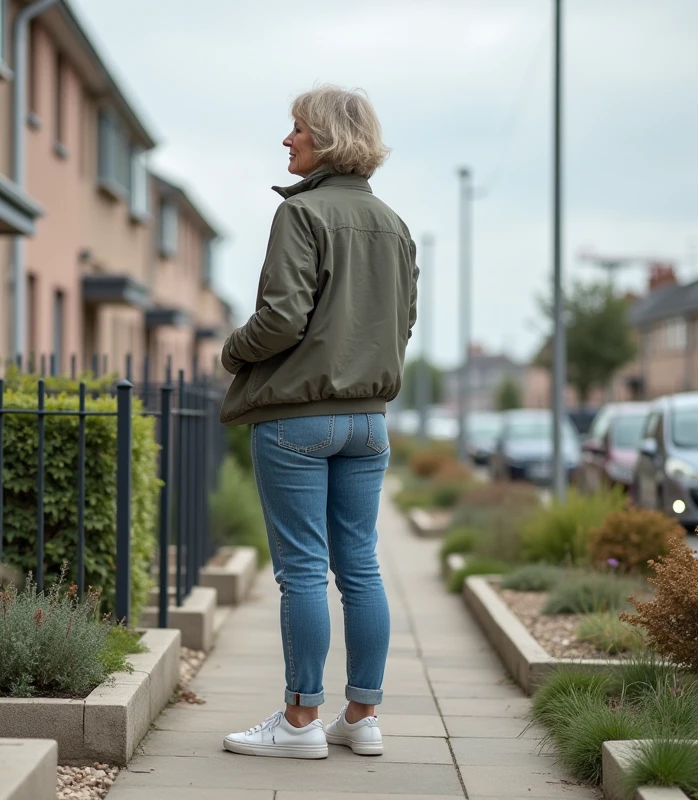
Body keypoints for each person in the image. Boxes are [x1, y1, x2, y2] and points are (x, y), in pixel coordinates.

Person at [217, 84, 419, 760]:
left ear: (326, 138)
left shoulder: (301, 215)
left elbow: (280, 320)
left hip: (297, 421)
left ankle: (301, 721)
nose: (287, 139)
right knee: (359, 565)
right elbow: (404, 324)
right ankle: (361, 717)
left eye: (297, 128)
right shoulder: (394, 225)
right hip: (368, 422)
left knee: (302, 570)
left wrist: (231, 348)